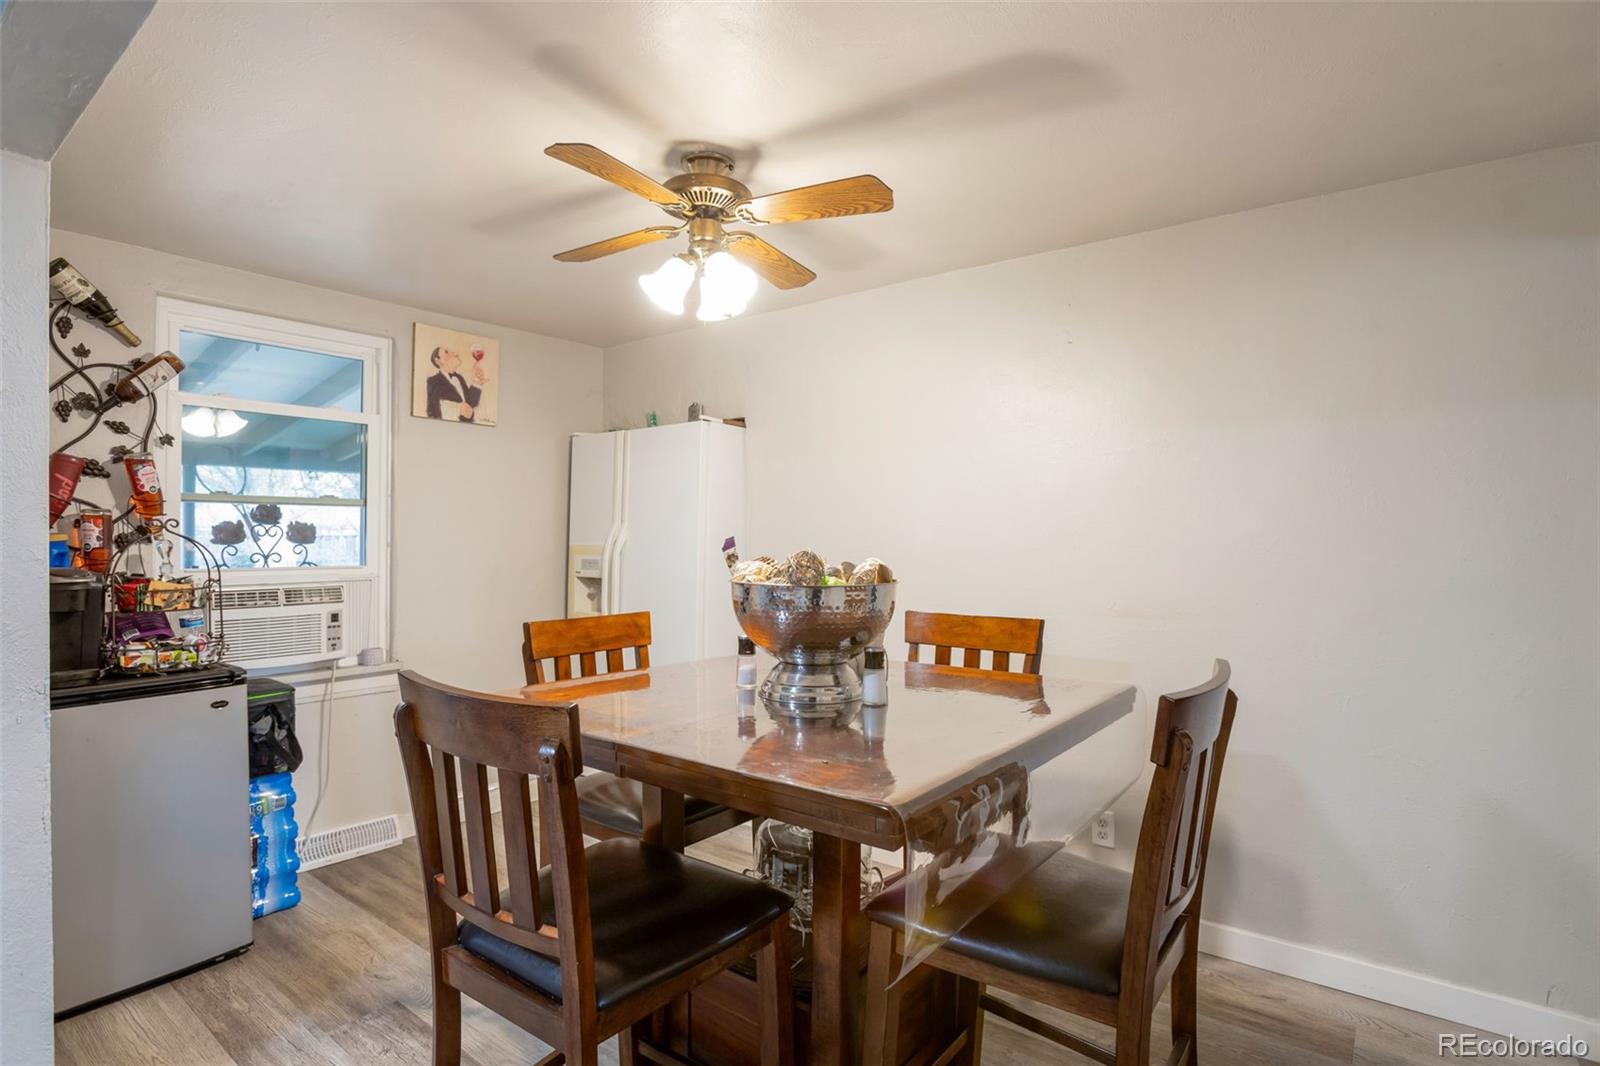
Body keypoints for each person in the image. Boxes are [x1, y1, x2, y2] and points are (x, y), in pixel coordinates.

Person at [423, 346, 486, 421]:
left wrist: (477, 382)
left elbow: (471, 403)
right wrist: (457, 409)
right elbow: (432, 412)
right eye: (446, 352)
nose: (455, 353)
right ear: (438, 361)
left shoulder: (459, 378)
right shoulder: (433, 381)